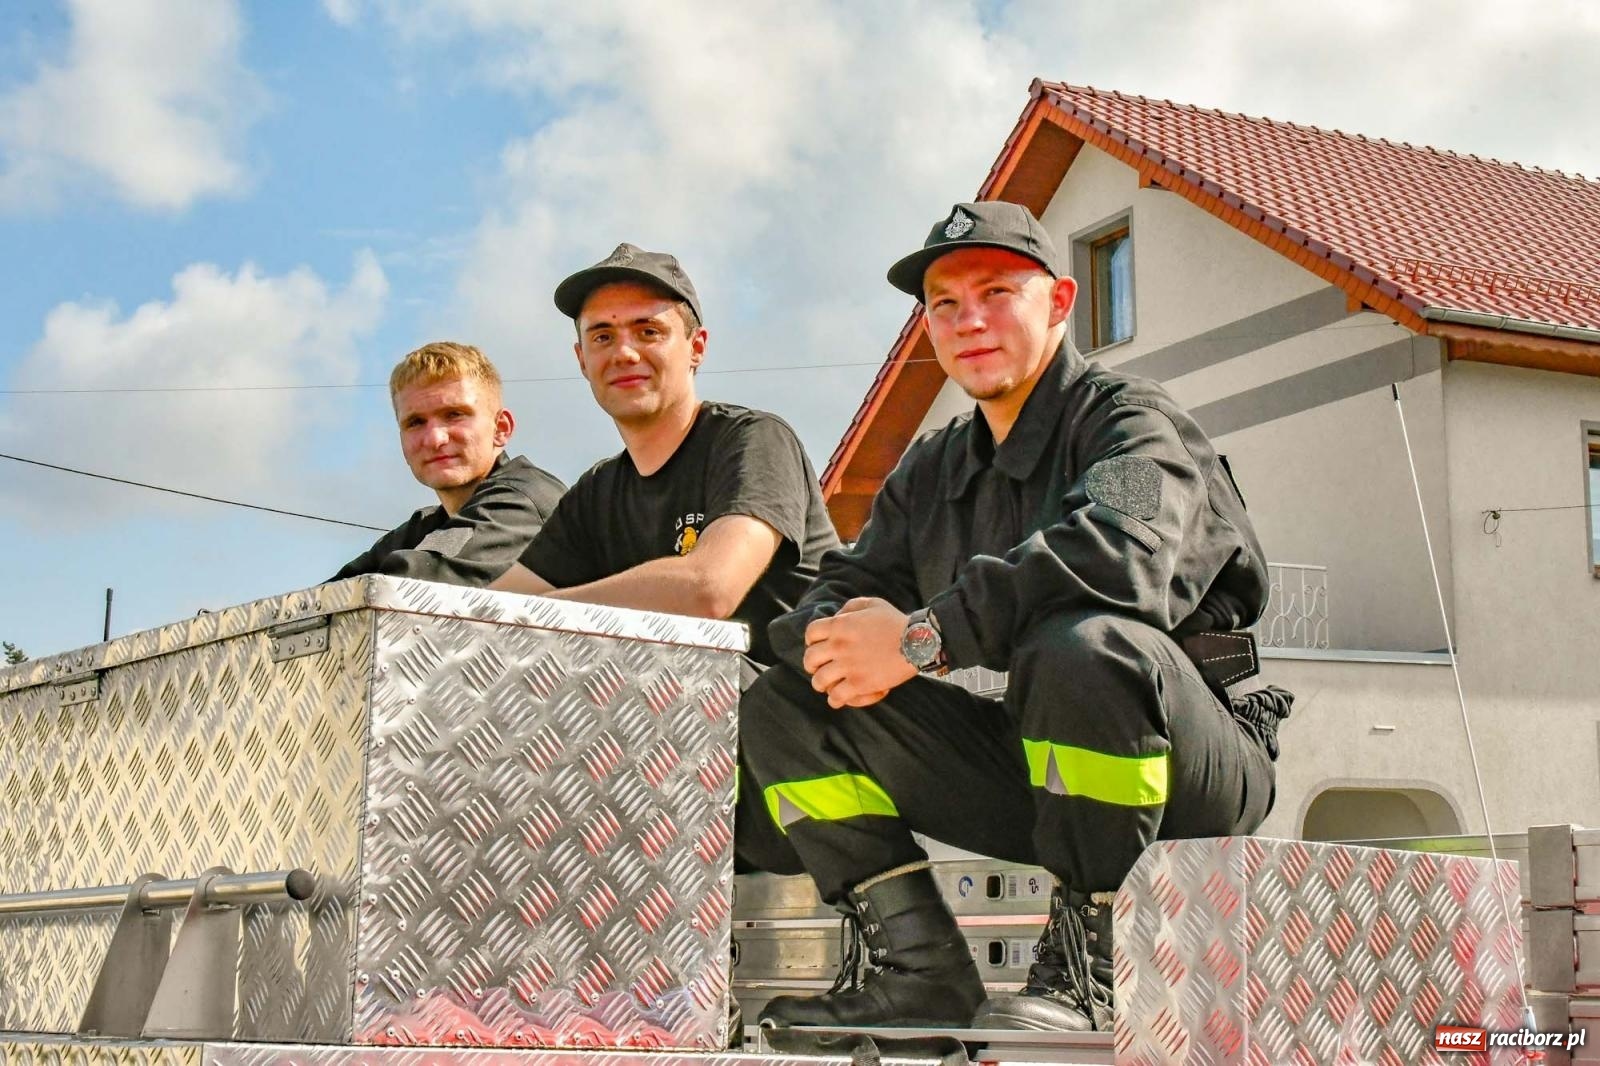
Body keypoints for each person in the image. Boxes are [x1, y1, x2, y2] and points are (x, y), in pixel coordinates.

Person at [740, 201, 1292, 1032]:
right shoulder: (933, 469)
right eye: (944, 305)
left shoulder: (1131, 424)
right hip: (1049, 767)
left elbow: (1119, 556)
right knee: (787, 701)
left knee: (1083, 645)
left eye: (997, 291)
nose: (969, 321)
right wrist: (832, 643)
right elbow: (838, 586)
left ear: (1061, 301)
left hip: (1188, 762)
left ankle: (1097, 961)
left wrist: (922, 639)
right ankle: (920, 968)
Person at [492, 242, 840, 874]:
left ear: (696, 346)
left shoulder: (752, 441)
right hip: (687, 794)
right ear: (581, 359)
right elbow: (488, 619)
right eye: (602, 336)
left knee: (669, 664)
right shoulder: (598, 492)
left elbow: (710, 589)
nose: (623, 352)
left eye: (648, 331)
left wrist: (545, 612)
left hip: (815, 766)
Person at [332, 341, 566, 586]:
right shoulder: (426, 527)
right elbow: (329, 596)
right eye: (415, 422)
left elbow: (410, 586)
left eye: (454, 415)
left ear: (501, 428)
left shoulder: (522, 503)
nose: (434, 439)